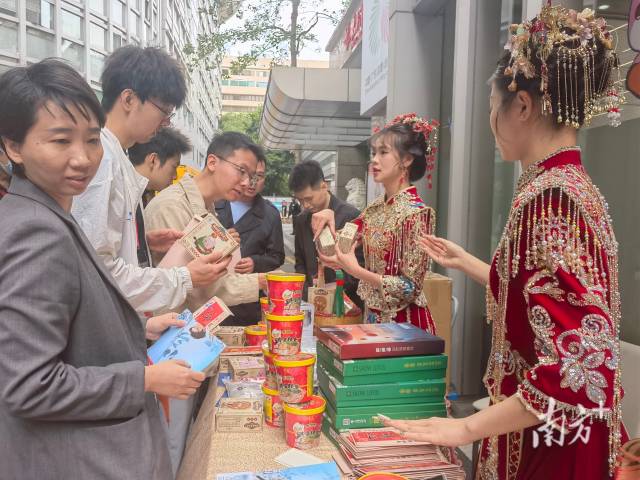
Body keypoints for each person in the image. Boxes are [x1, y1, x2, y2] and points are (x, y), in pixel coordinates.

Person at [384, 6, 627, 479]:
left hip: (553, 438)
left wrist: (465, 428)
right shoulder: (565, 186)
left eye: (494, 106)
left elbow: (583, 367)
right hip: (551, 424)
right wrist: (477, 266)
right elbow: (544, 302)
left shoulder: (552, 199)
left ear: (523, 107)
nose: (491, 119)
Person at [0, 58, 205, 479]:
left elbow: (73, 312)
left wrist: (138, 326)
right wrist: (145, 380)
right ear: (14, 147)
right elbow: (30, 385)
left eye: (92, 140)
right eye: (60, 141)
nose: (82, 158)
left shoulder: (49, 214)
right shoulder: (36, 232)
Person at [144, 131, 268, 471]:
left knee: (180, 437)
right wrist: (260, 283)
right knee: (169, 443)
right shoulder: (172, 206)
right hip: (170, 344)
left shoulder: (207, 209)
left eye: (252, 175)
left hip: (190, 340)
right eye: (241, 170)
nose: (246, 182)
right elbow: (195, 287)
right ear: (212, 161)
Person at [72, 45, 226, 315]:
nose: (166, 122)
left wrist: (140, 241)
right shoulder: (102, 158)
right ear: (129, 99)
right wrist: (185, 277)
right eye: (163, 111)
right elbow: (98, 269)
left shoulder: (116, 155)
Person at [312, 114, 438, 332]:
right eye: (373, 153)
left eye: (383, 152)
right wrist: (328, 218)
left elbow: (411, 288)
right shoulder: (374, 209)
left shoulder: (417, 214)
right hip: (373, 317)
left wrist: (357, 271)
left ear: (407, 159)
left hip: (405, 325)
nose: (375, 160)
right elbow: (339, 244)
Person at [215, 152, 285, 326]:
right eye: (248, 174)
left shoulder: (270, 214)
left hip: (248, 302)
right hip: (214, 294)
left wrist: (256, 262)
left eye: (259, 176)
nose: (253, 182)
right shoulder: (214, 204)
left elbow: (277, 256)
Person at [290, 160, 363, 308]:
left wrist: (332, 292)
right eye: (300, 200)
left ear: (324, 186)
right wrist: (307, 294)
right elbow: (300, 263)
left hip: (346, 305)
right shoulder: (302, 220)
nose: (305, 205)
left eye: (308, 198)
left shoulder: (351, 217)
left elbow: (360, 265)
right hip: (312, 303)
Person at [128, 126, 192, 198]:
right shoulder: (123, 193)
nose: (175, 176)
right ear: (153, 160)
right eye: (174, 167)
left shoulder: (140, 193)